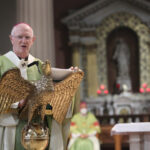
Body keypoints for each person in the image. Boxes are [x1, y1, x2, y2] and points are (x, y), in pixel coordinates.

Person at [0, 23, 78, 150]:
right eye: (19, 37)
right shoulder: (2, 63)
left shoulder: (38, 65)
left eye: (27, 37)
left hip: (40, 130)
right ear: (11, 38)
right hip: (12, 128)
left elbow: (55, 80)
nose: (23, 41)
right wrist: (17, 104)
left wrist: (70, 74)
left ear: (33, 40)